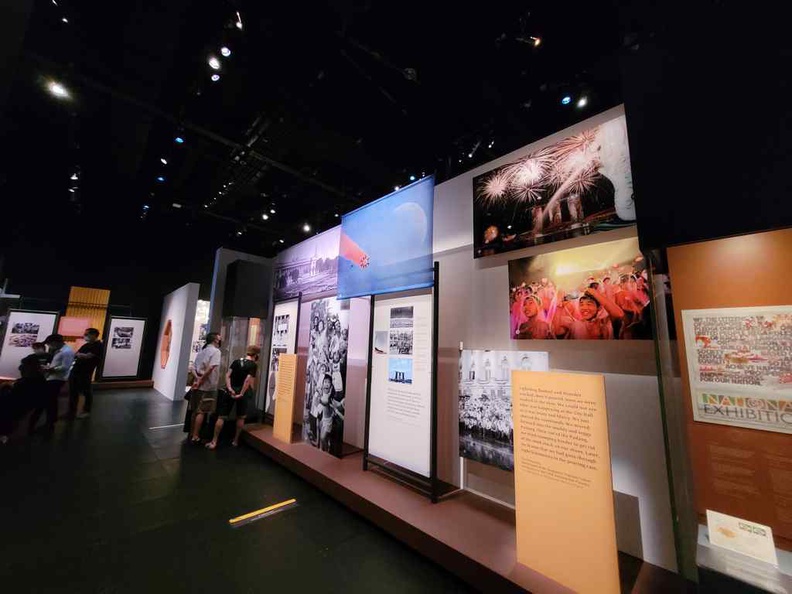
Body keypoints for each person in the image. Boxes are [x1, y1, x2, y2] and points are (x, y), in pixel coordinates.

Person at [206, 345, 259, 450]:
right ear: (256, 355)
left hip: (231, 390)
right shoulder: (253, 365)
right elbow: (247, 380)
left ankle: (214, 441)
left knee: (222, 416)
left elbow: (228, 375)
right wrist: (242, 393)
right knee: (241, 416)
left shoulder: (236, 361)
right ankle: (235, 440)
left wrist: (229, 388)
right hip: (242, 391)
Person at [29, 334, 75, 436]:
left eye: (49, 344)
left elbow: (65, 367)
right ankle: (50, 422)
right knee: (51, 401)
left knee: (49, 401)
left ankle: (49, 424)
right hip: (53, 377)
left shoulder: (66, 352)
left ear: (55, 342)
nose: (49, 347)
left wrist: (50, 369)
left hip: (57, 379)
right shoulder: (61, 351)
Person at [554, 288, 624, 339]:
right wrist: (559, 307)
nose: (584, 308)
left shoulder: (605, 322)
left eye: (589, 304)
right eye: (581, 304)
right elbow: (558, 331)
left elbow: (619, 314)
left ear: (598, 308)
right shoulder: (576, 325)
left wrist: (594, 293)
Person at [189, 332, 222, 444]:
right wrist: (201, 380)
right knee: (201, 411)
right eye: (219, 339)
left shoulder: (202, 351)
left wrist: (197, 379)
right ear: (215, 340)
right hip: (207, 385)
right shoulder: (216, 351)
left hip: (198, 383)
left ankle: (192, 432)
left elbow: (193, 367)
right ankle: (195, 435)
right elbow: (211, 368)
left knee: (196, 410)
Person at [69, 328, 103, 419]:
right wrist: (82, 355)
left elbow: (89, 356)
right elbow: (77, 354)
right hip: (76, 370)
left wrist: (82, 355)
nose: (85, 336)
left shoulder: (98, 346)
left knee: (86, 391)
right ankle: (71, 411)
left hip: (86, 371)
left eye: (87, 334)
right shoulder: (86, 345)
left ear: (93, 335)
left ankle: (86, 410)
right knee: (73, 391)